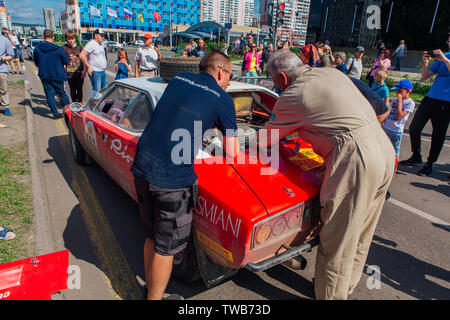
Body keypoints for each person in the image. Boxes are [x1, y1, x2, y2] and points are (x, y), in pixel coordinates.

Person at [261, 50, 395, 300]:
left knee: (337, 239)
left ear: (282, 77)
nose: (274, 86)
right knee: (360, 231)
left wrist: (231, 140)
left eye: (273, 81)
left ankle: (331, 296)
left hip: (356, 158)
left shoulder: (293, 94)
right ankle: (345, 287)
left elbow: (266, 139)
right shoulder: (333, 73)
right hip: (383, 150)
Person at [130, 50, 240, 300]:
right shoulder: (223, 100)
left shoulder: (178, 79)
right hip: (171, 179)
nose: (229, 83)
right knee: (166, 247)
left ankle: (150, 289)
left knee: (151, 234)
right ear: (221, 72)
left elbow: (181, 116)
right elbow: (232, 154)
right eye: (230, 76)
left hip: (142, 165)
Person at [399, 47, 450, 176]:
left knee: (438, 134)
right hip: (430, 97)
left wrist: (444, 59)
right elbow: (424, 76)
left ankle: (430, 164)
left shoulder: (445, 57)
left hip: (446, 101)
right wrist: (425, 63)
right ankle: (416, 155)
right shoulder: (446, 55)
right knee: (414, 127)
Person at [33, 29, 70, 119]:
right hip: (57, 74)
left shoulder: (37, 48)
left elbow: (36, 62)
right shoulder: (58, 49)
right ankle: (69, 112)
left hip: (44, 74)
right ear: (53, 37)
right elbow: (66, 61)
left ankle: (55, 113)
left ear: (43, 37)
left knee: (49, 94)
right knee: (62, 93)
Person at [382, 80, 415, 158]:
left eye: (400, 91)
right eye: (397, 91)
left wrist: (400, 102)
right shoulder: (394, 100)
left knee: (394, 151)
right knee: (383, 148)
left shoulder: (410, 103)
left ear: (408, 91)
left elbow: (399, 116)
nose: (398, 93)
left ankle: (394, 168)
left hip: (396, 130)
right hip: (386, 127)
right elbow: (387, 111)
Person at [80, 29, 108, 98]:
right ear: (96, 35)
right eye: (101, 35)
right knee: (96, 91)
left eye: (104, 36)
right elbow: (82, 55)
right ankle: (92, 105)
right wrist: (88, 67)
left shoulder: (101, 44)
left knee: (105, 90)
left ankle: (100, 105)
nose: (103, 37)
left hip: (102, 71)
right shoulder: (91, 44)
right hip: (95, 71)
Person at [62, 31, 85, 103]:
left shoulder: (79, 47)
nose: (70, 41)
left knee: (79, 89)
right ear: (66, 39)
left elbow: (83, 59)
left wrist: (84, 71)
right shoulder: (64, 48)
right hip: (70, 73)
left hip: (79, 72)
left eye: (72, 39)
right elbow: (62, 61)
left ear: (74, 39)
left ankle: (80, 103)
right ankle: (74, 103)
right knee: (72, 89)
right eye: (68, 39)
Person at [0, 30, 14, 118]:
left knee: (3, 89)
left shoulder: (5, 40)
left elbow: (11, 55)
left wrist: (2, 58)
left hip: (1, 69)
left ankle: (5, 107)